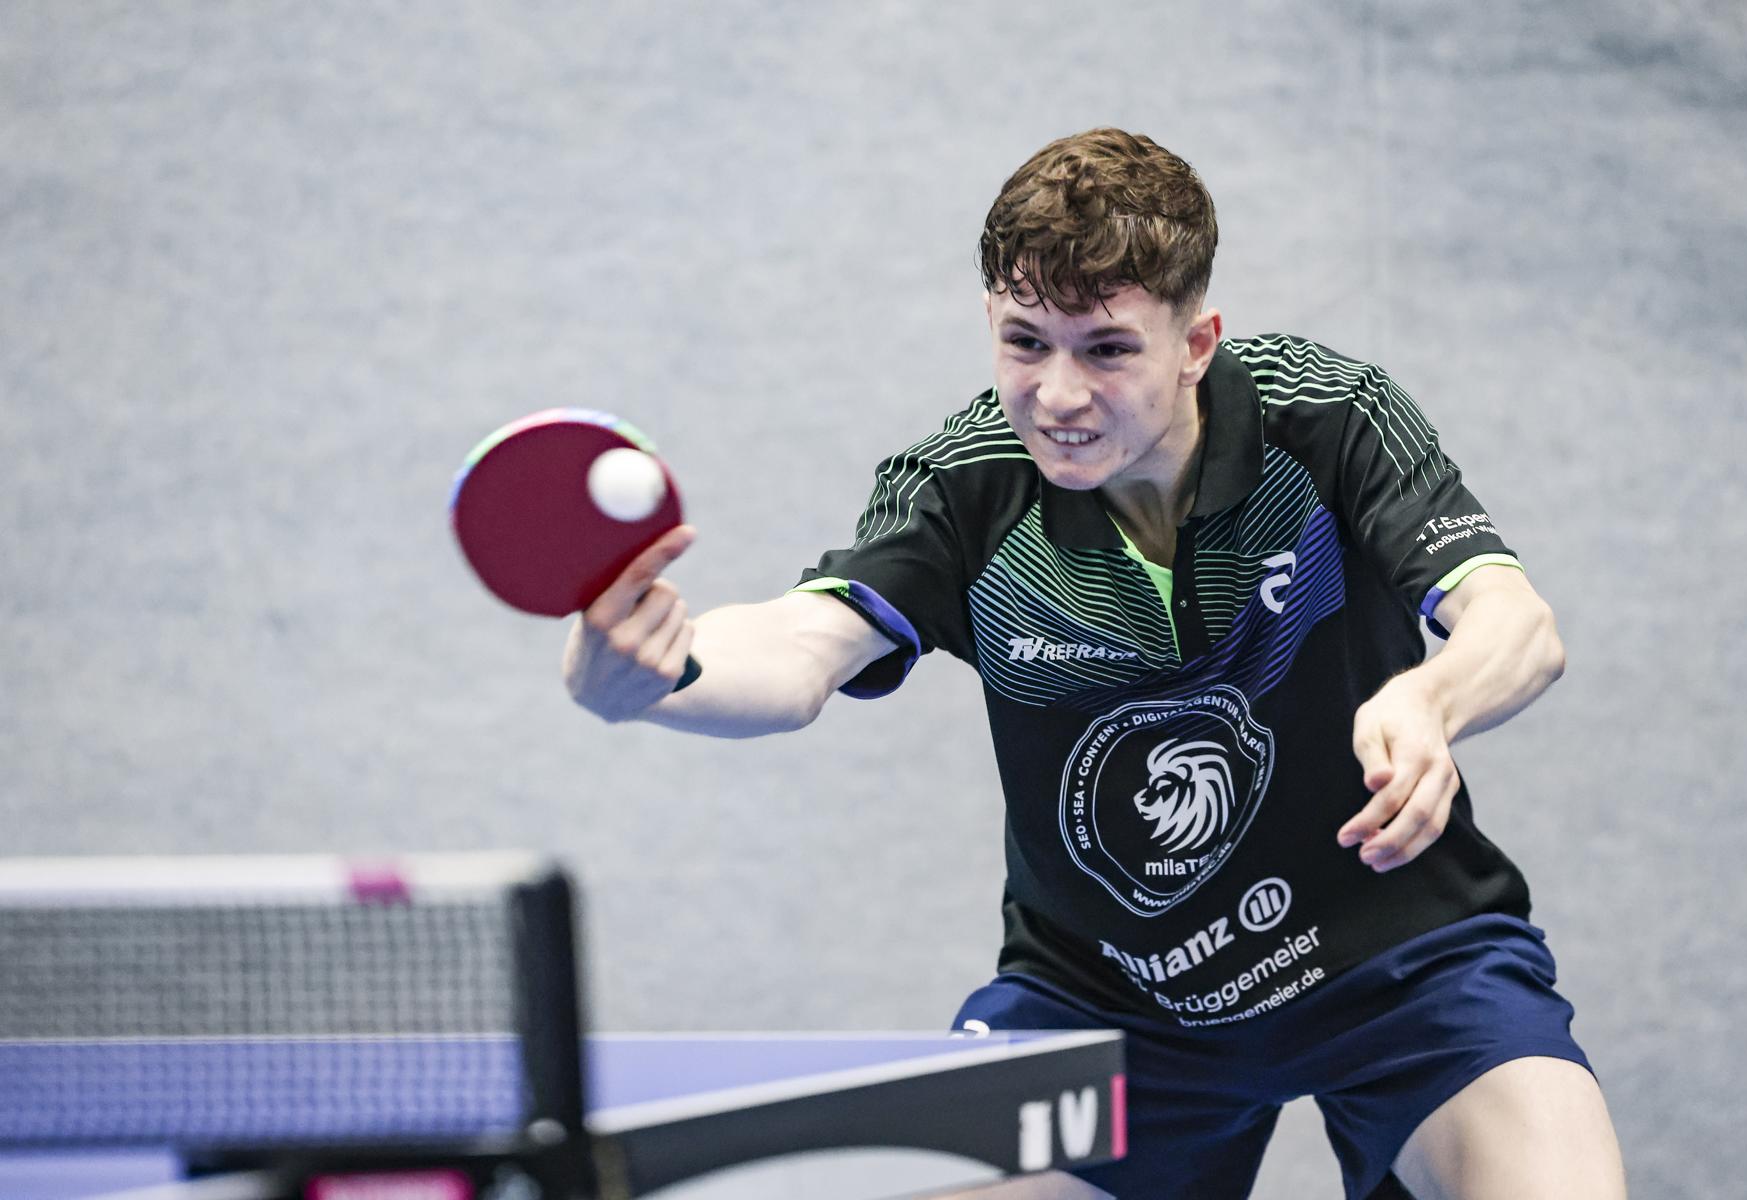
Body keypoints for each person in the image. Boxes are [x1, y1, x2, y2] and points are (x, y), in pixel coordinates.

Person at [563, 128, 1626, 1199]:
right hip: (1109, 1005)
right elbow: (802, 649)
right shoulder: (966, 489)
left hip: (1403, 960)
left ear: (1196, 342)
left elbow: (1515, 623)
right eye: (1025, 342)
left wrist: (1432, 696)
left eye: (1107, 350)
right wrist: (667, 671)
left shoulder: (1327, 420)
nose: (1058, 394)